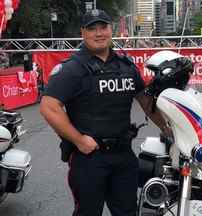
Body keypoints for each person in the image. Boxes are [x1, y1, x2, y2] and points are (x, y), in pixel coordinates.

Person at [39, 9, 170, 216]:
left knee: (127, 212)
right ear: (83, 33)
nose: (99, 33)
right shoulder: (73, 69)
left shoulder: (126, 67)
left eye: (103, 27)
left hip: (124, 156)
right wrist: (80, 140)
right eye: (92, 29)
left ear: (111, 30)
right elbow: (49, 106)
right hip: (90, 159)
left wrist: (168, 129)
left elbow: (146, 102)